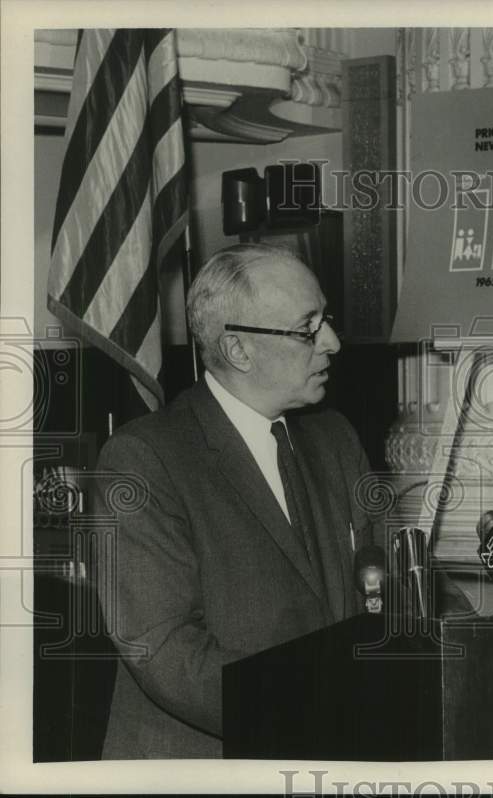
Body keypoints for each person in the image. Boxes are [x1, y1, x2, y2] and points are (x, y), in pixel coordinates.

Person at [94, 243, 378, 758]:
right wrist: (322, 708)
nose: (332, 342)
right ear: (239, 351)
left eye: (327, 319)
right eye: (307, 328)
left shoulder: (335, 439)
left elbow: (386, 584)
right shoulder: (144, 459)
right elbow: (164, 649)